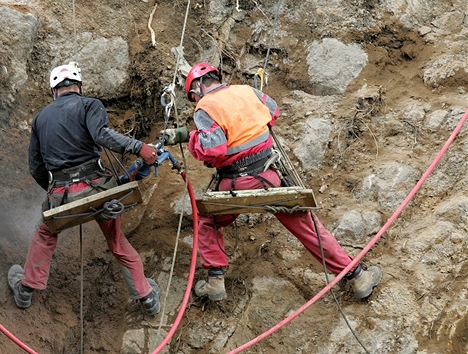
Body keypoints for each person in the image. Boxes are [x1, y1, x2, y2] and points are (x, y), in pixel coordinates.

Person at [162, 62, 382, 301]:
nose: (196, 100)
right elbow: (273, 111)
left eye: (194, 96)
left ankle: (215, 280)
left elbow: (214, 149)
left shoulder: (204, 107)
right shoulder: (246, 91)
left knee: (208, 221)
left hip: (234, 185)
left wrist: (191, 137)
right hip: (270, 178)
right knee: (308, 228)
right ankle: (357, 277)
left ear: (197, 86)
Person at [8, 62, 161, 316]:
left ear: (53, 91)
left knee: (45, 235)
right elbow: (101, 135)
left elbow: (35, 167)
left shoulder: (40, 118)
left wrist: (57, 193)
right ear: (79, 86)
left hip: (60, 195)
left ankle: (25, 290)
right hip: (98, 190)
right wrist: (138, 146)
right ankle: (146, 296)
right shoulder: (90, 104)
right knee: (116, 240)